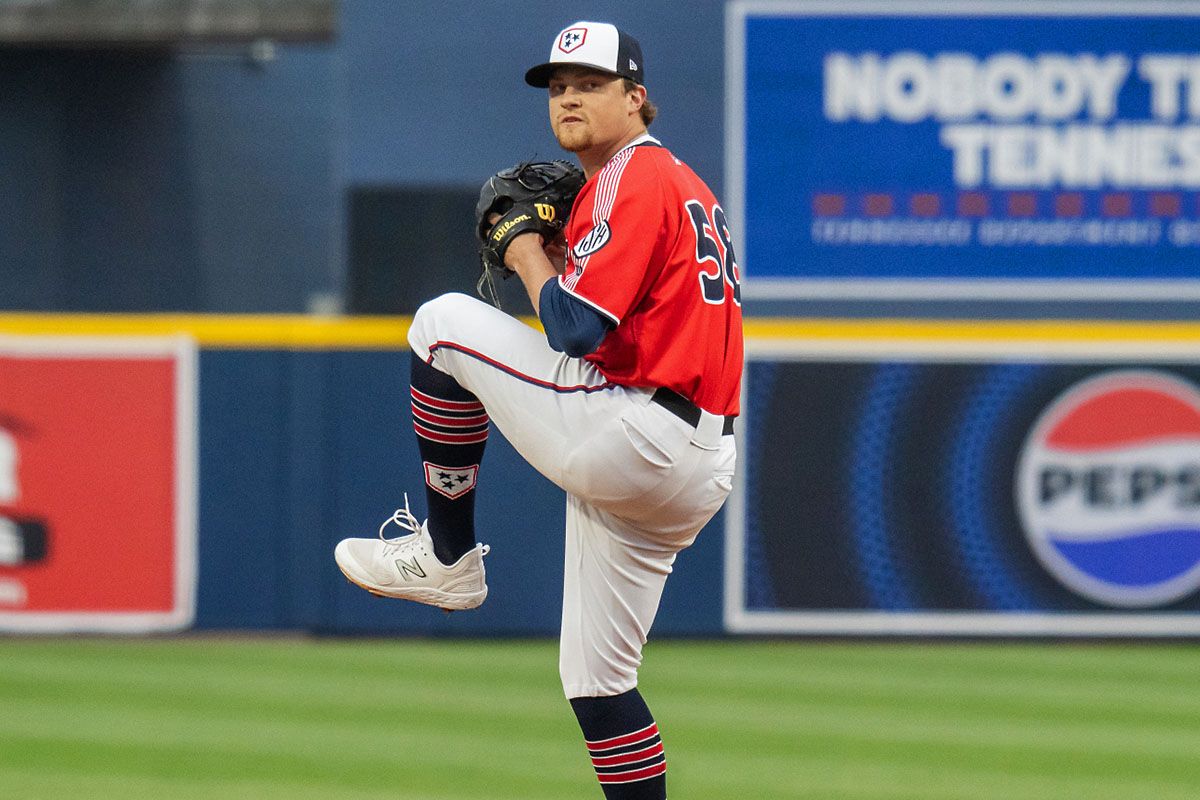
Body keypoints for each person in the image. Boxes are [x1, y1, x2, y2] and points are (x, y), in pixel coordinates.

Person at [335, 20, 742, 799]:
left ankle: (448, 556)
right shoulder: (675, 186)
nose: (569, 99)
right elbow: (606, 324)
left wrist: (525, 249)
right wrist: (556, 258)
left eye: (590, 84)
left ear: (637, 99)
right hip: (694, 460)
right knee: (597, 682)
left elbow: (576, 328)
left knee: (439, 325)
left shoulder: (632, 174)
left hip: (638, 431)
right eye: (558, 89)